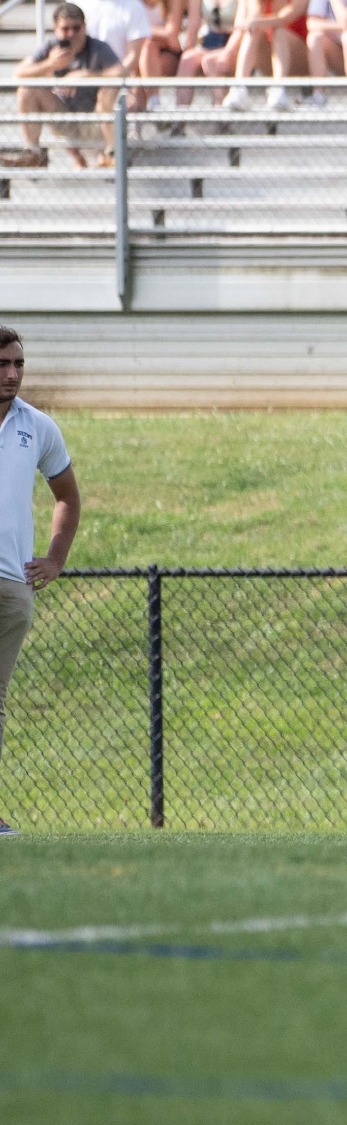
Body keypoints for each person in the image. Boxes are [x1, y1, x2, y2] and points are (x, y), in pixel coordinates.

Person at [0, 328, 83, 837]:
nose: (12, 374)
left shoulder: (39, 427)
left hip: (12, 588)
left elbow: (68, 497)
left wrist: (54, 559)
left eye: (18, 364)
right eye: (2, 364)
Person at [3, 4, 121, 169]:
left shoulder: (97, 48)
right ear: (56, 29)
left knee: (110, 89)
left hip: (96, 120)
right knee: (26, 89)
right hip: (64, 118)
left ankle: (113, 153)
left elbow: (122, 73)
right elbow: (18, 74)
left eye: (76, 28)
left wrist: (87, 76)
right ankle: (33, 153)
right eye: (66, 29)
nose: (71, 34)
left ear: (84, 27)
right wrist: (49, 64)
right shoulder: (51, 47)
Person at [218, 0, 309, 111]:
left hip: (300, 54)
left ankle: (278, 89)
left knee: (278, 29)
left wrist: (257, 22)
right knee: (254, 30)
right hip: (269, 55)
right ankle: (239, 88)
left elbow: (285, 17)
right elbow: (253, 15)